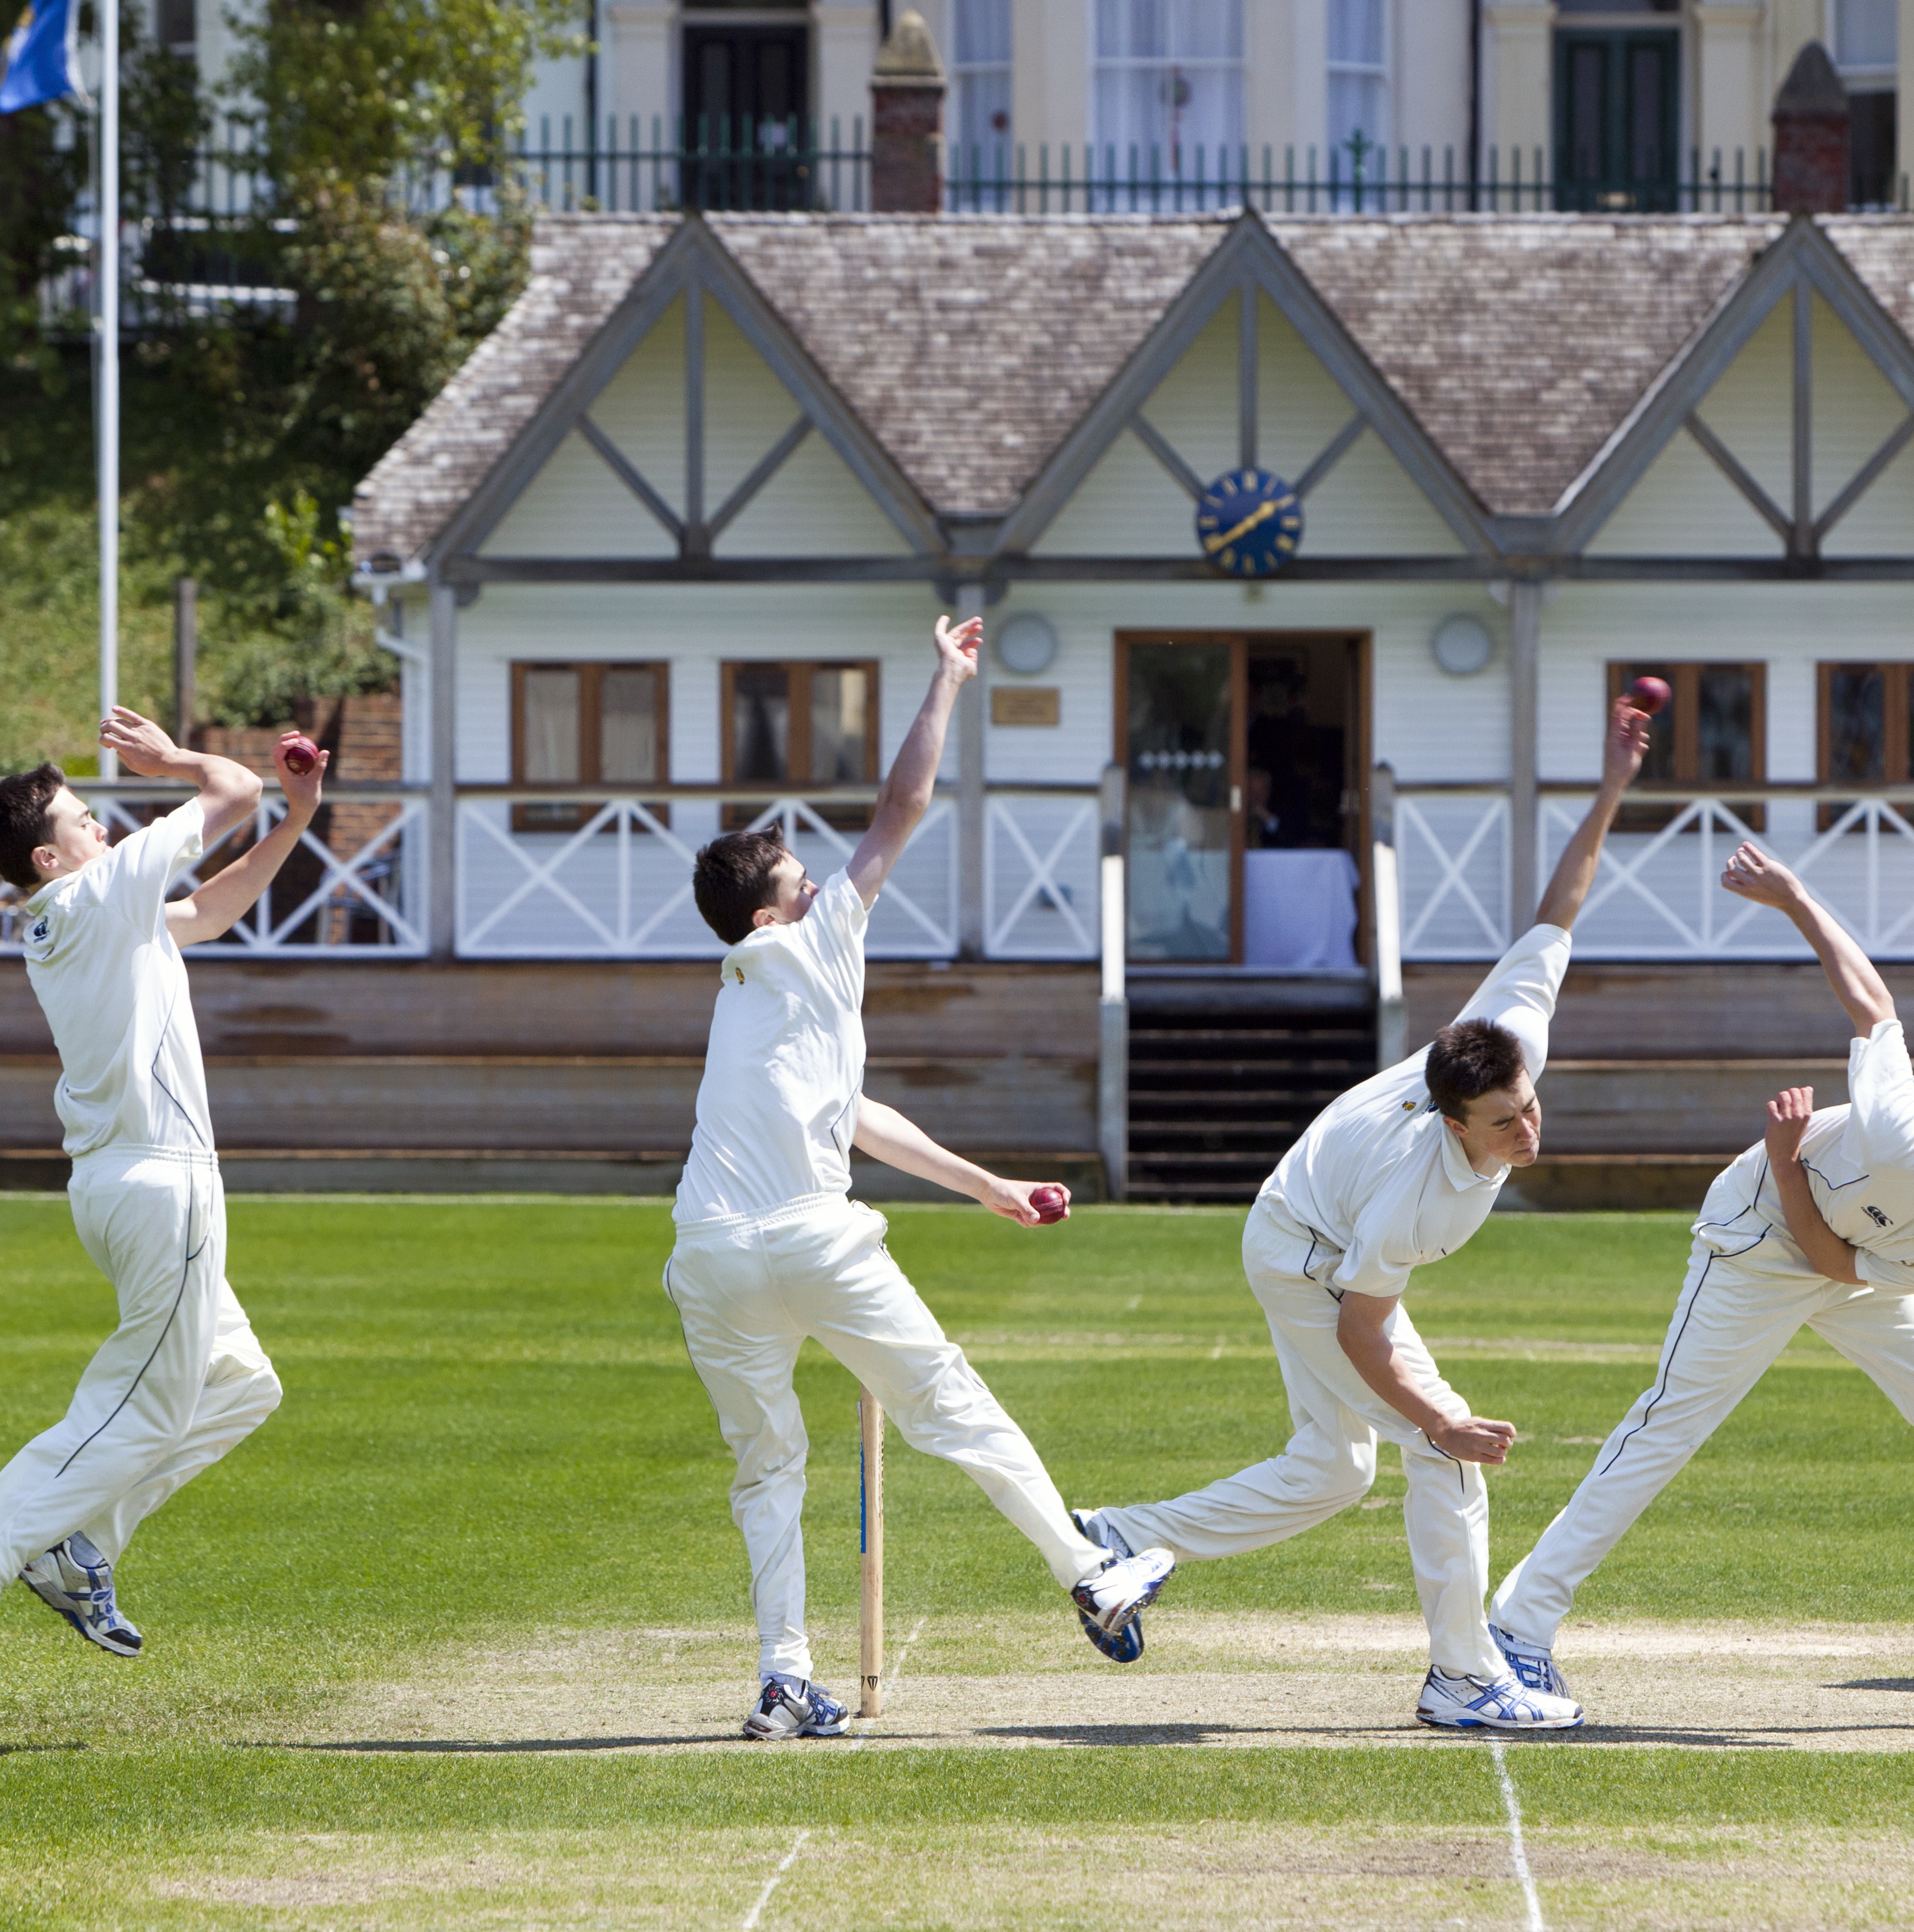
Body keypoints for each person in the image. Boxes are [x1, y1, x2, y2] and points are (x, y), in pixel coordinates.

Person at [1077, 692, 1653, 1732]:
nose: (1528, 1130)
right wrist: (1439, 1420)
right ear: (1451, 1120)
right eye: (1503, 1124)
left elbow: (1555, 912)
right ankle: (1461, 1677)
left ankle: (1117, 1536)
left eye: (1527, 1107)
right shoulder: (1413, 1192)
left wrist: (1611, 784)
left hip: (1296, 1220)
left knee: (1334, 1468)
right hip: (1313, 1256)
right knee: (1440, 1450)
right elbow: (1360, 1325)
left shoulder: (1505, 1039)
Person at [665, 613, 1170, 1741]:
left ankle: (783, 1680)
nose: (826, 889)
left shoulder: (743, 995)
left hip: (708, 1255)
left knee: (766, 1469)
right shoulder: (811, 942)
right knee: (951, 1406)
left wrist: (986, 1185)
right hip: (809, 1238)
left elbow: (853, 1117)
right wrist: (946, 678)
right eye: (803, 882)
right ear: (769, 912)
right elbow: (901, 807)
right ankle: (1089, 1571)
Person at [1484, 842, 1914, 1702]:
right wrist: (1794, 897)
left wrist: (1791, 1162)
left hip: (1837, 1257)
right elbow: (1873, 1006)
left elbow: (1836, 1266)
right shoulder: (1904, 1134)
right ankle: (1517, 1623)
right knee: (1666, 1427)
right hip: (1754, 1238)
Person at [0, 713, 323, 1702]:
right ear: (51, 855)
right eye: (85, 818)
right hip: (158, 1185)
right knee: (139, 1412)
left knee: (242, 1384)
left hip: (121, 1185)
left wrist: (296, 820)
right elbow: (230, 788)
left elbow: (212, 912)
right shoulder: (95, 892)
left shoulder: (90, 916)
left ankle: (82, 1547)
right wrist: (175, 762)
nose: (105, 825)